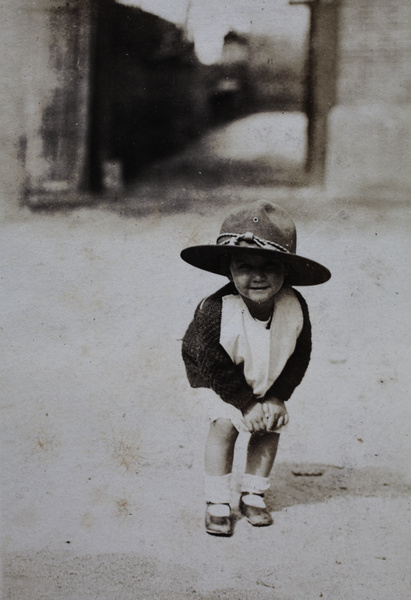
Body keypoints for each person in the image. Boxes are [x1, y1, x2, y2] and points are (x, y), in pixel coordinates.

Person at [181, 200, 331, 536]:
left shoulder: (294, 306)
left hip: (265, 371)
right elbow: (212, 362)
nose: (257, 276)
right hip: (216, 376)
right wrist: (245, 404)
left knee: (269, 425)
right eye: (245, 266)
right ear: (229, 269)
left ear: (286, 270)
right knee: (226, 425)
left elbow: (299, 354)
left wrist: (277, 397)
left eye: (270, 265)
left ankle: (253, 493)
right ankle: (217, 501)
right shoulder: (215, 312)